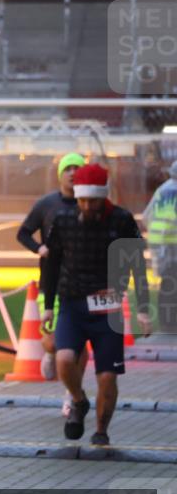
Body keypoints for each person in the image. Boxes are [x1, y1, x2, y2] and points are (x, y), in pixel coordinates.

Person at [42, 164, 153, 446]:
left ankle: (101, 431)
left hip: (108, 310)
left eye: (93, 200)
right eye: (82, 200)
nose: (87, 206)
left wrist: (142, 308)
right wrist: (48, 305)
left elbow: (137, 265)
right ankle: (79, 401)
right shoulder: (64, 219)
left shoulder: (122, 220)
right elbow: (51, 264)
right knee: (64, 360)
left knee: (107, 376)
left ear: (103, 197)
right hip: (73, 304)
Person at [17, 153, 88, 380]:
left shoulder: (90, 204)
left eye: (77, 168)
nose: (73, 173)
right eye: (68, 169)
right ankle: (50, 352)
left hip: (82, 284)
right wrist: (40, 249)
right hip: (51, 282)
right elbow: (23, 233)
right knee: (53, 340)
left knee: (77, 342)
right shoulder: (47, 204)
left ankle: (73, 393)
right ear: (60, 175)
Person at [143, 160, 177, 332]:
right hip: (173, 243)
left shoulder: (162, 190)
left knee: (167, 283)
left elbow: (146, 216)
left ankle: (167, 323)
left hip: (160, 244)